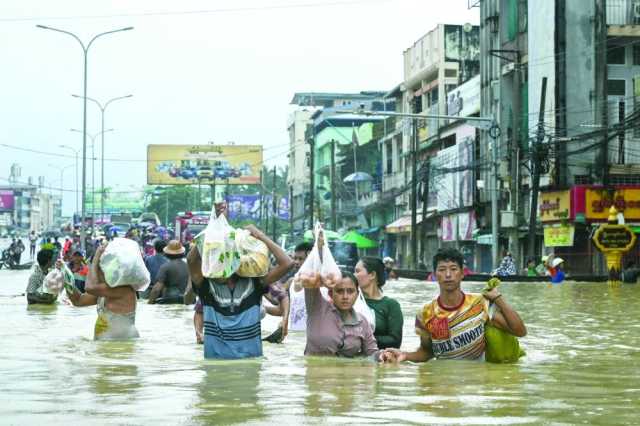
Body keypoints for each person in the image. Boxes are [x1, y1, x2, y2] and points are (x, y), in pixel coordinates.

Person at [381, 248, 526, 363]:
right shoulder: (425, 313)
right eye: (442, 270)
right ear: (435, 274)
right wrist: (404, 356)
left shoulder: (480, 303)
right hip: (444, 380)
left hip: (479, 379)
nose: (448, 275)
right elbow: (426, 353)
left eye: (453, 269)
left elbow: (520, 331)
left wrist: (499, 299)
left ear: (462, 273)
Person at [187, 202, 292, 359]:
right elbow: (191, 261)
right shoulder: (207, 286)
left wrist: (260, 236)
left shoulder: (255, 283)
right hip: (216, 367)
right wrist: (214, 226)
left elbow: (287, 263)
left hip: (250, 365)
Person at [66, 242, 140, 340]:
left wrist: (95, 259)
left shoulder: (123, 288)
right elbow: (78, 301)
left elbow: (89, 287)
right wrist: (66, 278)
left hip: (120, 345)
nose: (94, 272)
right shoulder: (103, 292)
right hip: (106, 344)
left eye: (96, 269)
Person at [305, 269, 380, 359]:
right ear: (330, 293)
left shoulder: (362, 322)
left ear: (357, 294)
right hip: (316, 370)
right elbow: (309, 277)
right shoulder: (317, 308)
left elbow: (372, 354)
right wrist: (324, 279)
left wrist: (385, 355)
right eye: (340, 291)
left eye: (350, 291)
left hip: (348, 371)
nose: (345, 297)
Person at [355, 257, 403, 349]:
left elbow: (395, 341)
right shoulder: (349, 301)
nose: (354, 275)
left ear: (372, 275)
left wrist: (362, 338)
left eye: (357, 271)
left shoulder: (391, 305)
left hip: (379, 359)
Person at [148, 240, 189, 304]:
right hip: (186, 300)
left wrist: (149, 303)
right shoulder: (188, 266)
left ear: (166, 253)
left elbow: (156, 289)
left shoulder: (165, 267)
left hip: (169, 300)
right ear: (182, 253)